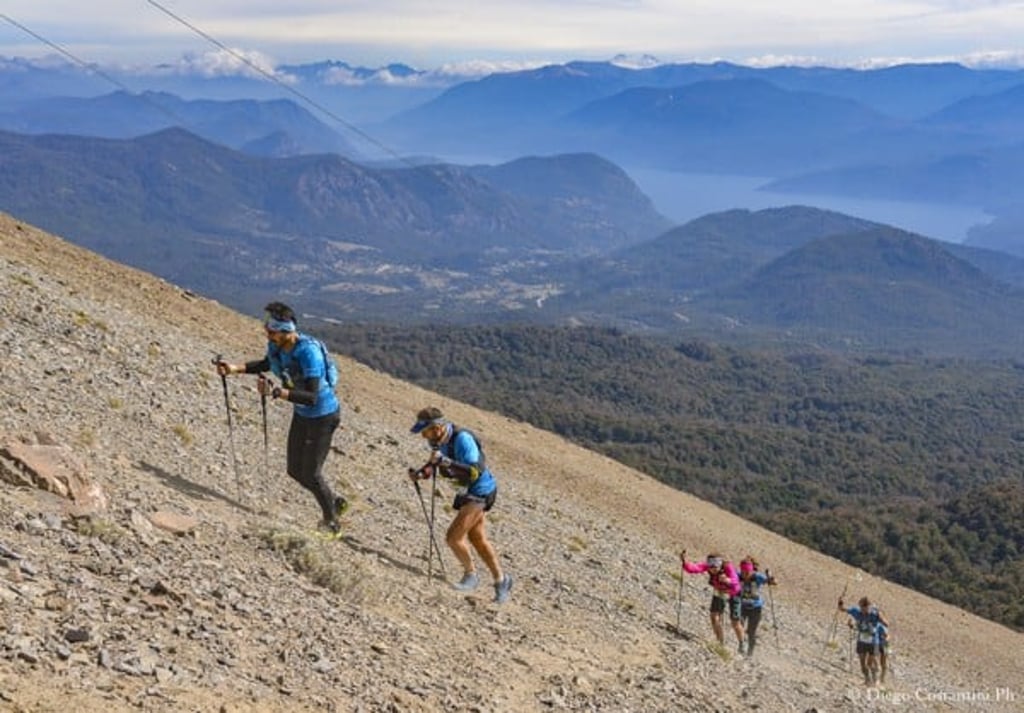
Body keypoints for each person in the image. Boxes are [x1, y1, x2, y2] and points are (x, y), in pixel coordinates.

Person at [215, 301, 348, 534]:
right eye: (267, 329)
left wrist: (277, 393)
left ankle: (332, 523)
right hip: (302, 414)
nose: (267, 334)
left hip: (323, 416)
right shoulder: (277, 346)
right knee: (294, 471)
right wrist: (234, 368)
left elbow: (312, 397)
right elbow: (267, 364)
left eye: (272, 331)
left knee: (312, 473)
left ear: (286, 331)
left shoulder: (308, 353)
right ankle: (334, 502)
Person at [409, 406, 513, 604]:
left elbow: (473, 471)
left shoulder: (463, 439)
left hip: (480, 492)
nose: (423, 436)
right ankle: (502, 581)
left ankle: (471, 576)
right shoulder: (438, 441)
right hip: (468, 493)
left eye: (425, 431)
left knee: (453, 537)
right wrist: (421, 473)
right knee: (478, 539)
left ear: (438, 427)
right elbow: (434, 463)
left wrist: (446, 462)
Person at [680, 550, 744, 651]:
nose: (712, 570)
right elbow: (696, 568)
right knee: (714, 617)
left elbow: (735, 582)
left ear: (720, 565)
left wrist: (727, 580)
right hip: (719, 591)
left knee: (735, 621)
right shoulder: (709, 566)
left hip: (734, 593)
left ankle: (742, 643)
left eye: (715, 568)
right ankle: (720, 642)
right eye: (710, 568)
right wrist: (685, 563)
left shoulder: (728, 567)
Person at [839, 595, 890, 686]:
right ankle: (867, 680)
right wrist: (840, 602)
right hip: (861, 641)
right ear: (860, 606)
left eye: (866, 608)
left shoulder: (874, 614)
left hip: (874, 643)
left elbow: (886, 623)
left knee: (870, 663)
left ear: (869, 607)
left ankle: (875, 680)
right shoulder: (856, 611)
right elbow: (842, 609)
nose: (864, 611)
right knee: (862, 664)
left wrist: (881, 618)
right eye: (862, 608)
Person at [736, 556, 777, 656]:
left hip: (756, 608)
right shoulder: (738, 575)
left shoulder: (758, 577)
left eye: (747, 572)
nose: (745, 575)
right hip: (742, 606)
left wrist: (771, 579)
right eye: (743, 572)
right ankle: (742, 645)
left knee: (751, 632)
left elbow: (774, 582)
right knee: (738, 625)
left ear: (751, 571)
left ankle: (750, 652)